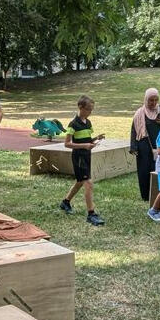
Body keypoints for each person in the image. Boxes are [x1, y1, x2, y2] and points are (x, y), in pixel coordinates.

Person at [60, 95, 106, 226]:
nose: (90, 112)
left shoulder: (88, 123)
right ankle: (91, 214)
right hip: (79, 157)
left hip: (87, 156)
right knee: (88, 183)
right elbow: (67, 144)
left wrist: (96, 138)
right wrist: (84, 146)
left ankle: (65, 202)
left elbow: (87, 140)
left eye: (92, 109)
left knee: (80, 182)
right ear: (80, 107)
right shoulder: (73, 124)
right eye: (89, 109)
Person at [130, 88, 160, 201]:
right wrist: (133, 146)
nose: (154, 103)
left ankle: (157, 194)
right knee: (144, 170)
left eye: (156, 100)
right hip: (144, 146)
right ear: (146, 99)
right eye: (151, 100)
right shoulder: (139, 113)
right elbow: (134, 130)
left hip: (159, 145)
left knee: (158, 169)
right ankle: (146, 195)